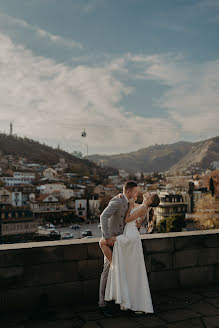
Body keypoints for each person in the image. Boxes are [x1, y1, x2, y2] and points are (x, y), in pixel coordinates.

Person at [104, 192, 160, 314]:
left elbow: (127, 219)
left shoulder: (143, 208)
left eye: (150, 194)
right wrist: (119, 196)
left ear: (150, 200)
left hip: (130, 238)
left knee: (104, 242)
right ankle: (128, 298)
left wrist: (129, 206)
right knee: (131, 270)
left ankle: (114, 267)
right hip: (130, 236)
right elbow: (132, 206)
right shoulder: (142, 207)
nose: (147, 193)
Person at [98, 181, 140, 317]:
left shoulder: (128, 202)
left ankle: (118, 301)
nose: (137, 194)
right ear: (127, 192)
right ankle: (102, 304)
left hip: (122, 243)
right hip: (113, 241)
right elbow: (103, 216)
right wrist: (107, 237)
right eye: (135, 192)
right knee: (107, 270)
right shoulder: (117, 201)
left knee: (119, 271)